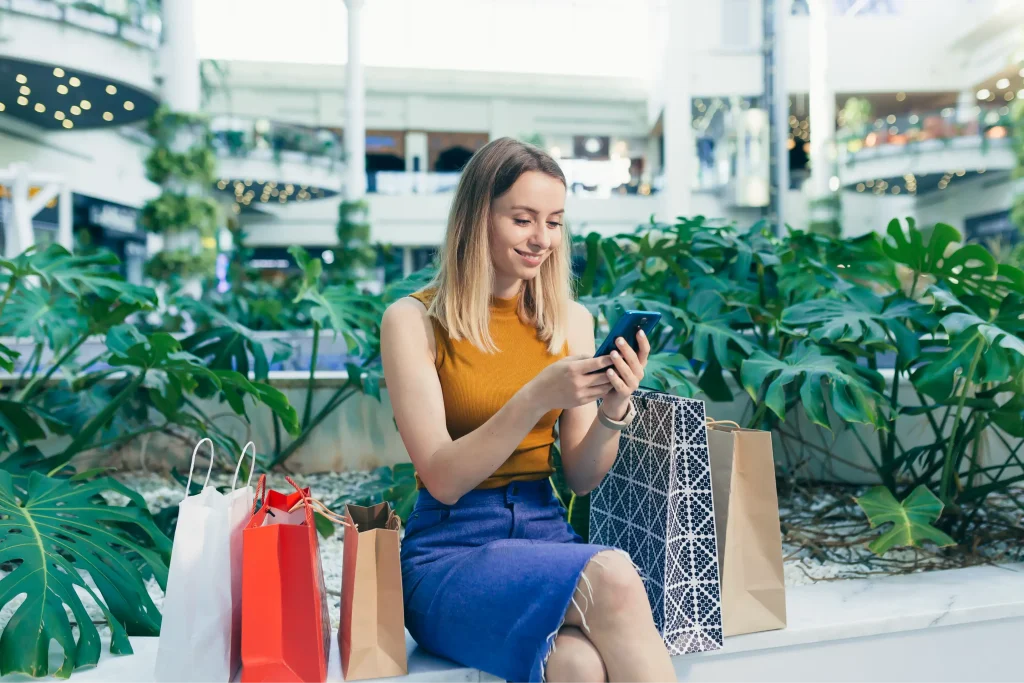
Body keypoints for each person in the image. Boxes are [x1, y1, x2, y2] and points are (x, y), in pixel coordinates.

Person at [381, 137, 676, 683]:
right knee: (610, 574)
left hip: (545, 533)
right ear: (477, 218)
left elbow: (582, 477)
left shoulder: (571, 322)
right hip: (450, 552)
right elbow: (442, 479)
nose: (543, 239)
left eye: (556, 222)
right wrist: (536, 396)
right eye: (523, 220)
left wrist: (614, 406)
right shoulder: (412, 321)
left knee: (579, 668)